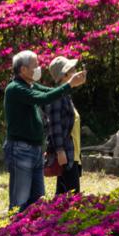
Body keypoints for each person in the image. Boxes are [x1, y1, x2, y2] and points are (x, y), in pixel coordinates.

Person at [3, 50, 85, 212]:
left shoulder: (30, 85)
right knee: (20, 200)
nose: (38, 68)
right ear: (23, 70)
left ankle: (32, 233)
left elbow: (48, 92)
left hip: (35, 148)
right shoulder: (15, 88)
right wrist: (69, 85)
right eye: (35, 65)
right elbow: (42, 99)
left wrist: (70, 86)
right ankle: (14, 233)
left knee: (38, 199)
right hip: (20, 148)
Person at [43, 55, 83, 198]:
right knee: (71, 197)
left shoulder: (66, 95)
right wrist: (60, 150)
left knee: (63, 197)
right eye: (72, 69)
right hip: (66, 153)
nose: (76, 71)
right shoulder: (57, 96)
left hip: (73, 154)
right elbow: (54, 125)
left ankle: (55, 219)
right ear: (65, 74)